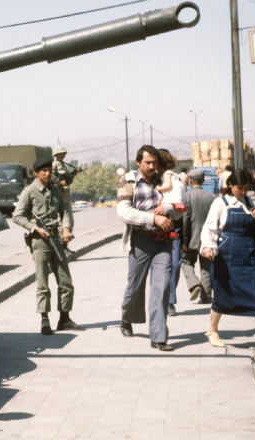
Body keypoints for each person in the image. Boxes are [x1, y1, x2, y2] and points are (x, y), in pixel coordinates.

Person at [199, 172, 255, 362]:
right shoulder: (220, 203)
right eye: (239, 188)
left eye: (246, 188)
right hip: (226, 258)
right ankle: (212, 330)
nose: (243, 192)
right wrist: (209, 247)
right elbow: (210, 228)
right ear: (230, 186)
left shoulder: (249, 202)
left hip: (248, 257)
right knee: (222, 295)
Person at [116, 145, 177, 351]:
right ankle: (127, 318)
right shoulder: (128, 181)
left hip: (163, 242)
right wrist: (153, 218)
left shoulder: (166, 180)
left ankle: (158, 337)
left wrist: (168, 208)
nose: (152, 166)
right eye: (147, 163)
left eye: (154, 163)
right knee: (134, 287)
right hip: (140, 241)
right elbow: (124, 212)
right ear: (138, 163)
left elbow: (180, 205)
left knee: (161, 288)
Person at [12, 156, 80, 335]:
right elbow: (17, 216)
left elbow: (65, 210)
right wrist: (35, 228)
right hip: (40, 241)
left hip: (56, 239)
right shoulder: (29, 191)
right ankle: (44, 319)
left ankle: (64, 319)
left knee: (65, 282)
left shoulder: (55, 190)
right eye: (44, 171)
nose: (48, 173)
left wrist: (66, 228)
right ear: (36, 173)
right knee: (42, 283)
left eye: (49, 170)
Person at [181, 168, 217, 304]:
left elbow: (185, 220)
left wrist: (184, 241)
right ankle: (206, 296)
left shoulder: (186, 197)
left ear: (190, 181)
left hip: (191, 239)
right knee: (206, 267)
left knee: (186, 262)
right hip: (208, 240)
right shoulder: (212, 197)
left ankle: (194, 285)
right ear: (202, 181)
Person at [157, 150, 186, 317]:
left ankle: (169, 300)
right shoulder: (153, 179)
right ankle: (161, 301)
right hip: (156, 228)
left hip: (173, 228)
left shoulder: (172, 180)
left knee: (174, 265)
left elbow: (180, 208)